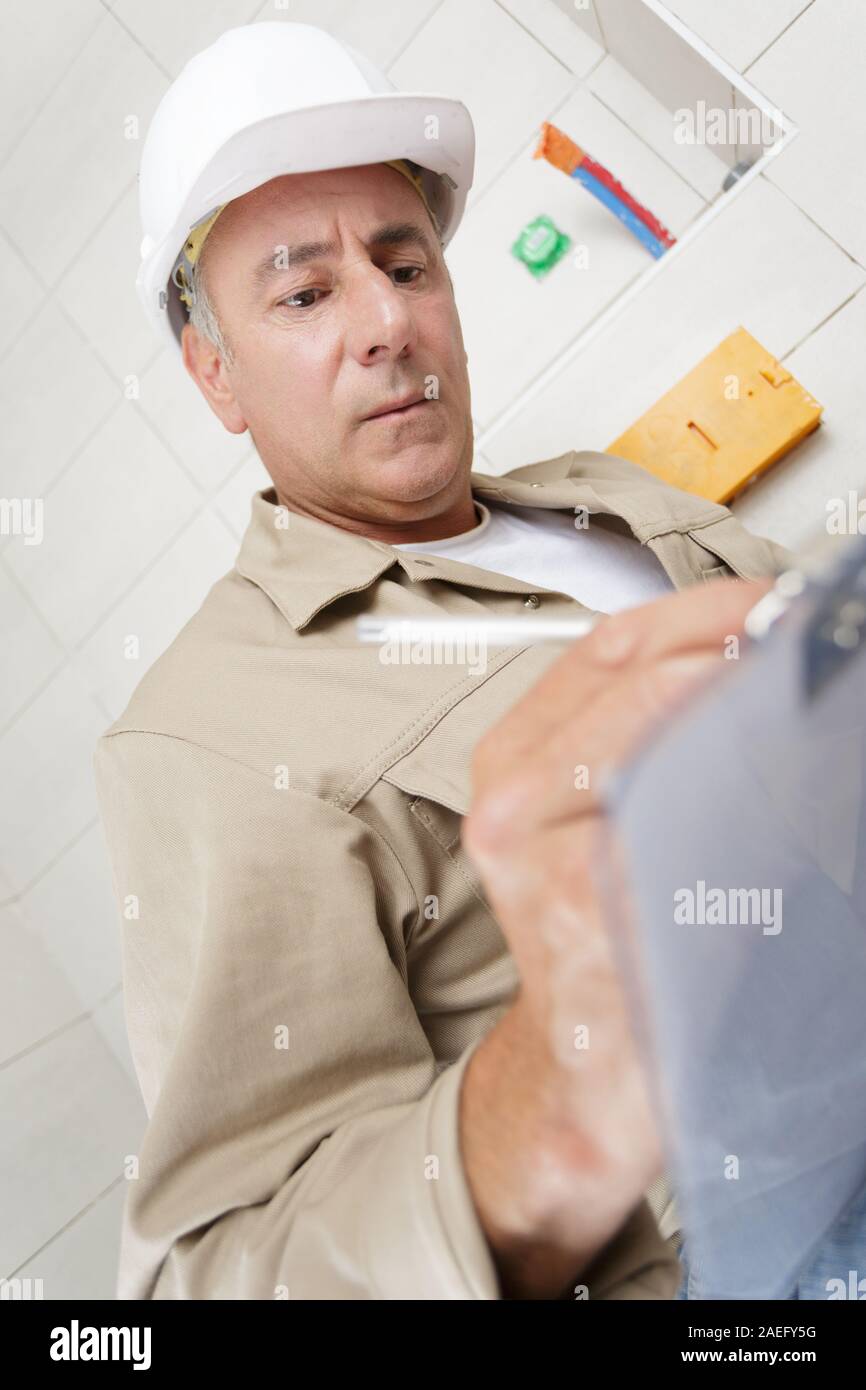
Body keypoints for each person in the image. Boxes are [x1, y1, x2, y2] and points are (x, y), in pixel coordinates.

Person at [94, 21, 795, 1299]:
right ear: (215, 373)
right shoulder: (203, 732)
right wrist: (567, 1077)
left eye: (404, 263)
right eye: (304, 294)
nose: (385, 323)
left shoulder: (598, 492)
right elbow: (220, 1271)